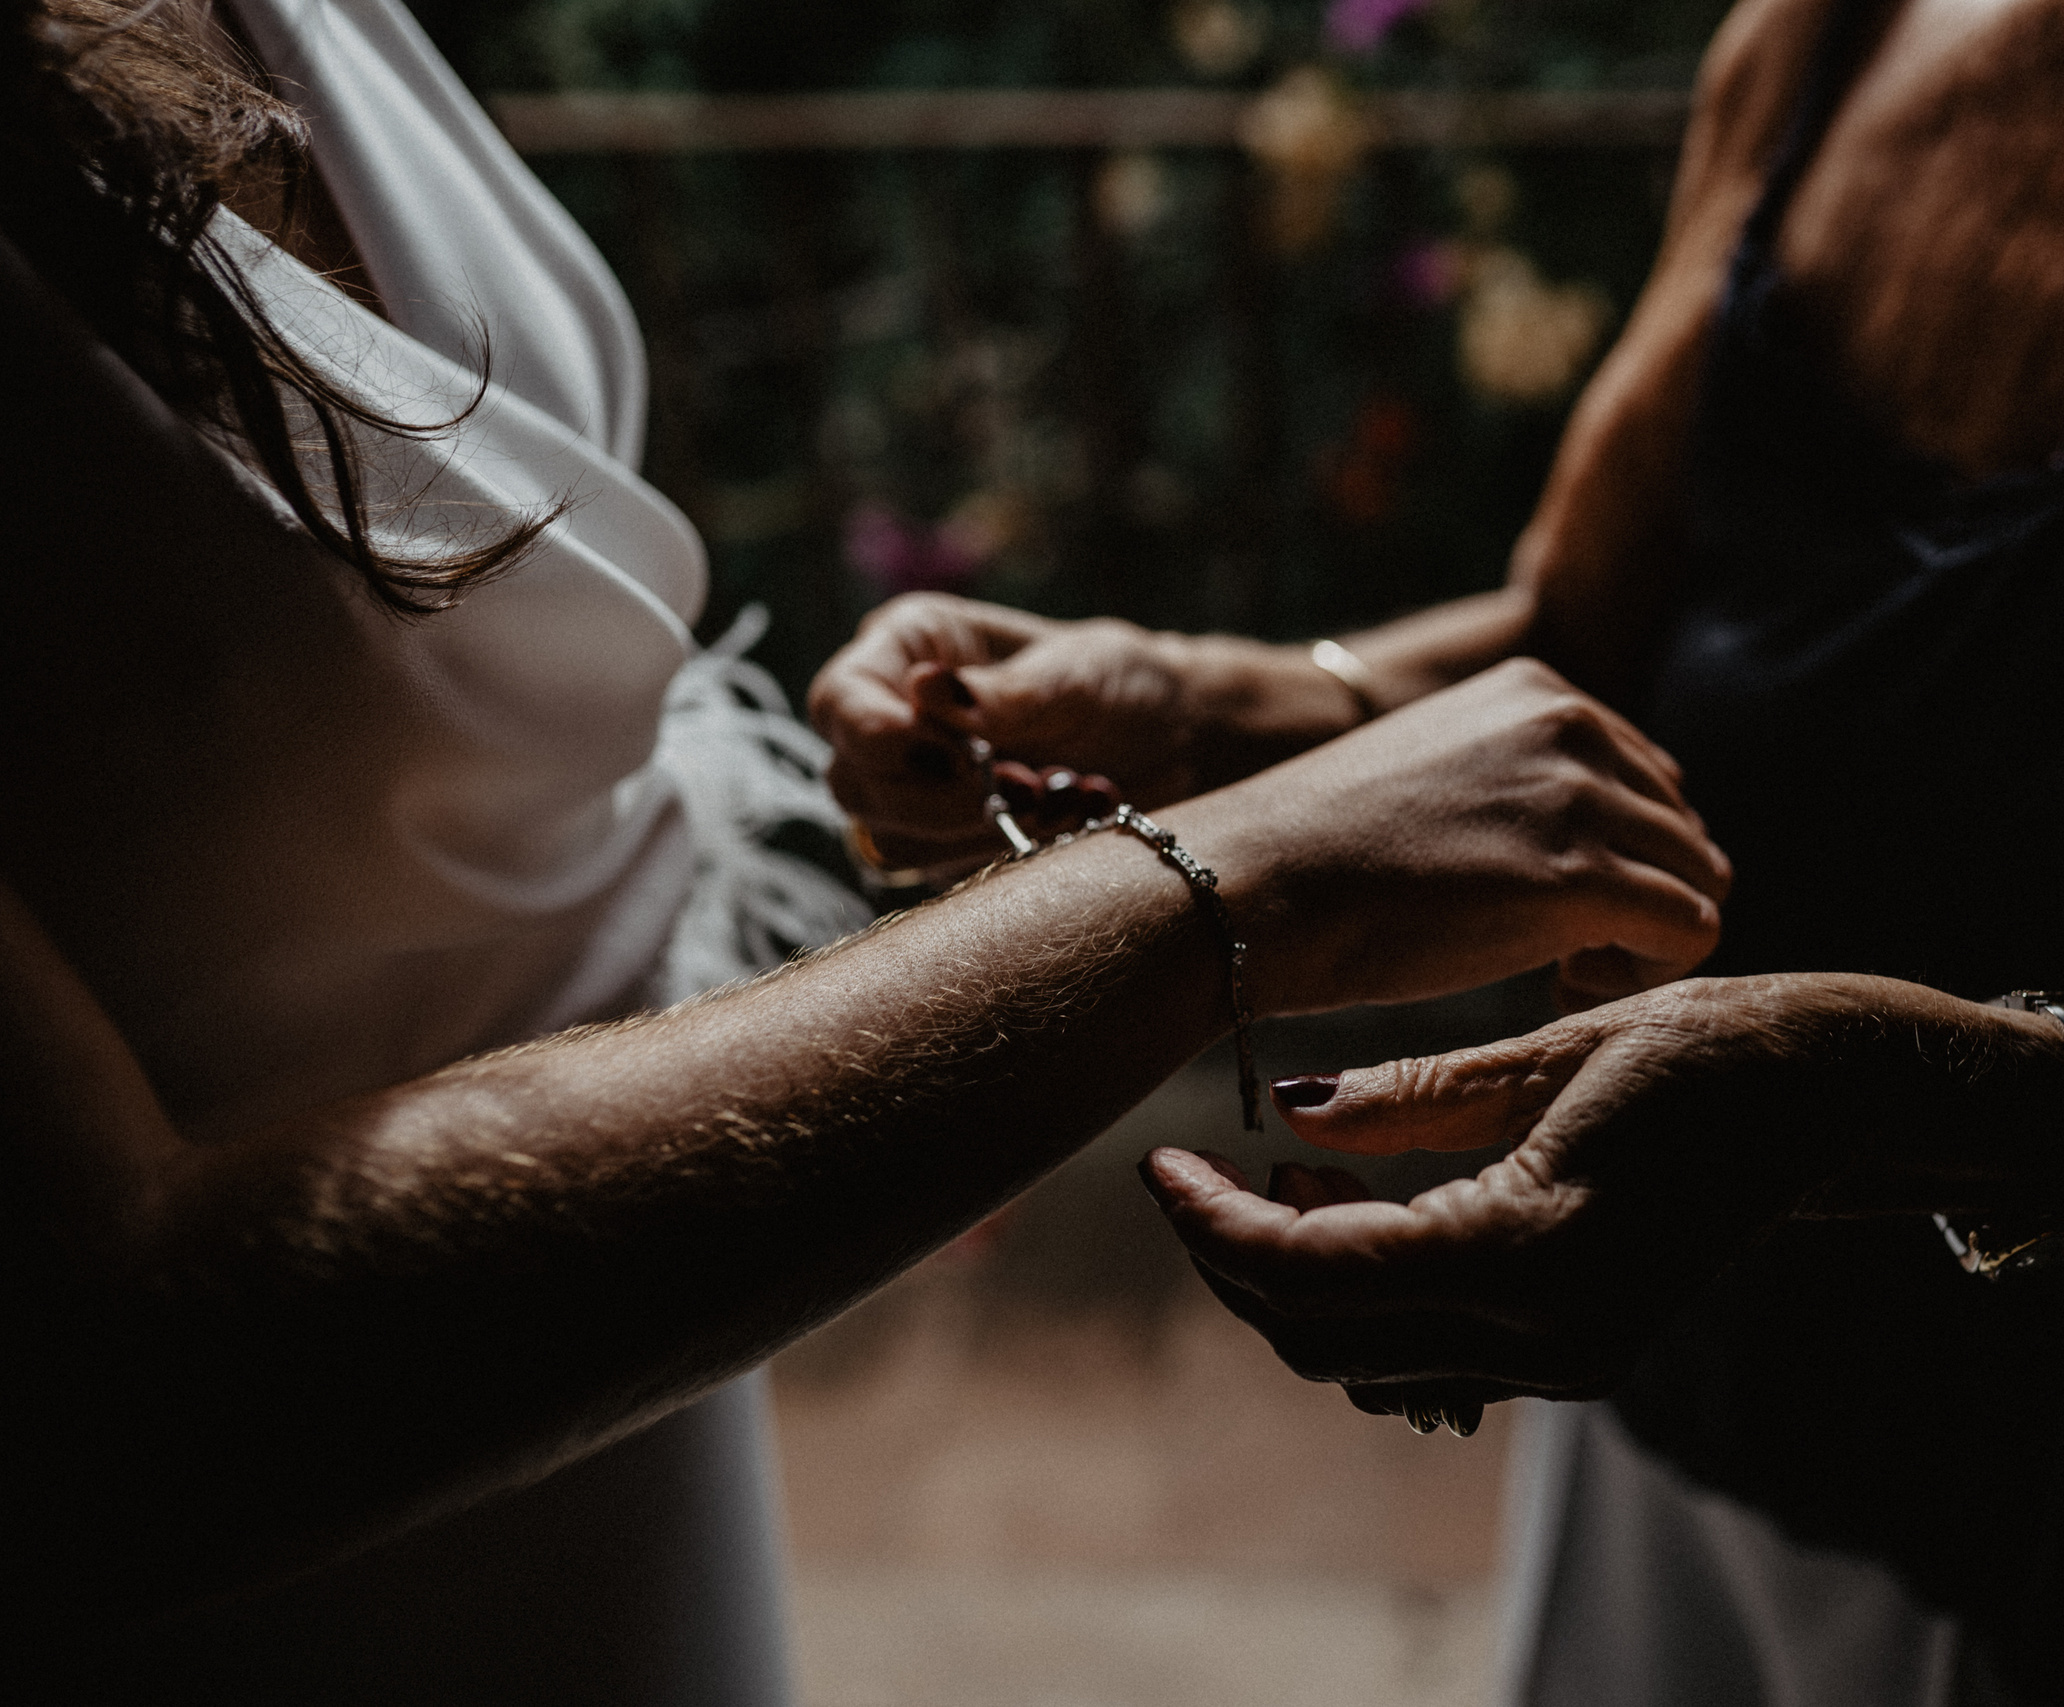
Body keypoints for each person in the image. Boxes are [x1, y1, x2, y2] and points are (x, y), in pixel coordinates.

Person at [817, 1, 2064, 1701]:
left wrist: (1901, 1103)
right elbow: (1606, 629)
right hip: (1682, 1370)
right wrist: (1199, 701)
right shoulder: (1832, 37)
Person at [0, 1, 1733, 1699]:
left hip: (619, 1415)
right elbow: (104, 1385)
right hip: (310, 1545)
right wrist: (1219, 894)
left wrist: (1190, 726)